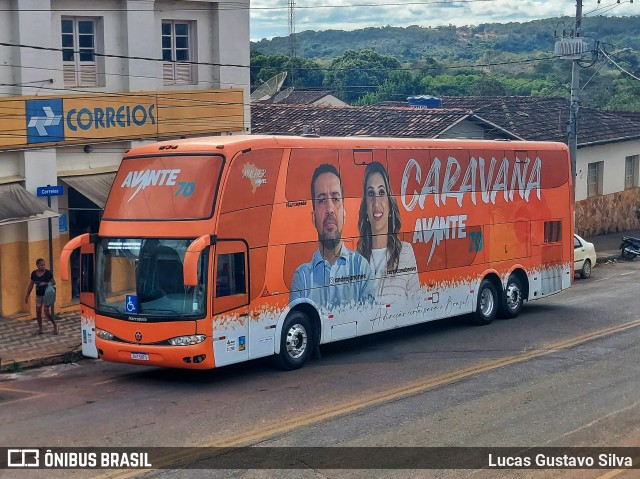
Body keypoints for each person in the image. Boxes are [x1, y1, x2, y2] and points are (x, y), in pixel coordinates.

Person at [290, 163, 374, 310]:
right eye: (321, 200)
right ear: (313, 217)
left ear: (344, 214)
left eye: (335, 199)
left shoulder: (361, 267)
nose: (329, 209)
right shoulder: (301, 278)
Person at [357, 161, 419, 302]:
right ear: (366, 208)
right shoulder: (356, 261)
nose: (376, 202)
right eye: (371, 193)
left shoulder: (406, 253)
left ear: (390, 206)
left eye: (382, 192)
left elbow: (416, 302)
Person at [25, 258, 58, 335]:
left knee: (46, 312)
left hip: (47, 294)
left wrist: (45, 283)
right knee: (38, 311)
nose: (43, 266)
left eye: (44, 265)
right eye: (41, 265)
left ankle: (55, 325)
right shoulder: (34, 274)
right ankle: (40, 328)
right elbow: (31, 285)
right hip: (39, 294)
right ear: (37, 265)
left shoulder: (48, 273)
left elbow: (54, 282)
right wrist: (27, 295)